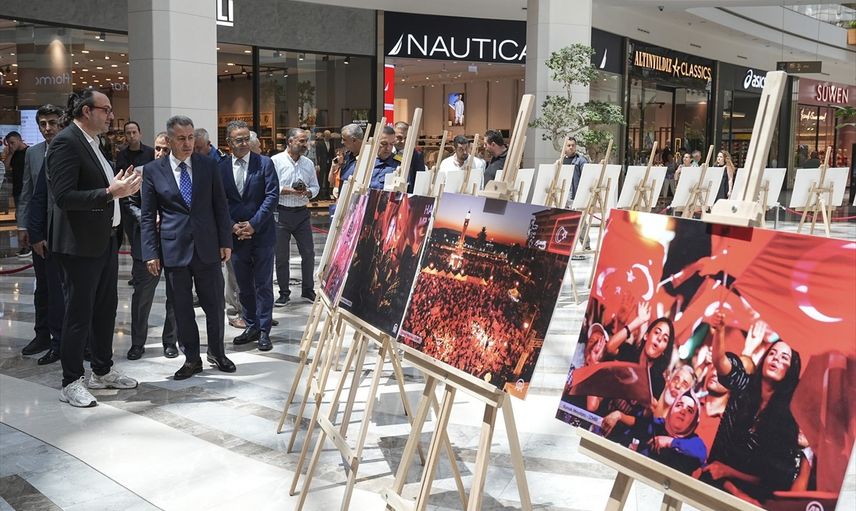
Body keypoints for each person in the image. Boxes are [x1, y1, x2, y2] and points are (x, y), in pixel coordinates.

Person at [47, 90, 142, 407]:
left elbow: (101, 188)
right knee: (78, 314)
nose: (112, 115)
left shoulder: (94, 143)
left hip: (104, 240)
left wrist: (121, 186)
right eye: (107, 109)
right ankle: (70, 381)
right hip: (78, 245)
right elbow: (64, 197)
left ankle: (102, 371)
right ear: (87, 111)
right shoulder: (66, 142)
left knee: (105, 310)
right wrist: (111, 191)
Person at [141, 115, 235, 380]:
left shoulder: (208, 165)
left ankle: (217, 352)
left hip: (208, 247)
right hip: (174, 250)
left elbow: (221, 205)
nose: (187, 143)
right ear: (169, 140)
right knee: (182, 309)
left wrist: (226, 241)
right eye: (181, 138)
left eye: (191, 137)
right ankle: (192, 358)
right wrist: (150, 252)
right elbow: (147, 216)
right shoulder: (153, 170)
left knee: (214, 305)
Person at [700, 310, 802, 505]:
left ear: (790, 371)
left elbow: (774, 477)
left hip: (749, 500)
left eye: (784, 358)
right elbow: (721, 364)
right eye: (772, 353)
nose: (776, 359)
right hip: (713, 483)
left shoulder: (787, 418)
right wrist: (720, 332)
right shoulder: (744, 387)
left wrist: (729, 474)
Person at [218, 120, 279, 351]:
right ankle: (251, 325)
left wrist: (253, 224)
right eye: (239, 140)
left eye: (247, 139)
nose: (244, 143)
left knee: (263, 284)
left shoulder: (264, 163)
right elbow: (219, 202)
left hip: (262, 234)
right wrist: (233, 226)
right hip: (235, 236)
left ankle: (264, 330)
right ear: (229, 142)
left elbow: (271, 196)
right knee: (243, 286)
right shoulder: (221, 167)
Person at [124, 128, 179, 360]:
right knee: (142, 297)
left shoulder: (180, 174)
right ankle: (137, 343)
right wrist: (145, 217)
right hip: (146, 243)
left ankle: (171, 341)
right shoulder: (140, 172)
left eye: (165, 149)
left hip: (173, 243)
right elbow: (129, 202)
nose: (160, 153)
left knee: (175, 295)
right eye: (157, 148)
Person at [17, 104, 64, 363]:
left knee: (61, 288)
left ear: (61, 123)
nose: (48, 128)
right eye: (43, 124)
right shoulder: (33, 153)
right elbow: (27, 191)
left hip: (65, 229)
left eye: (52, 123)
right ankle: (42, 334)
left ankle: (61, 339)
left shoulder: (70, 149)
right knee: (43, 285)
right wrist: (24, 226)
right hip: (39, 228)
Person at [271, 127, 319, 306]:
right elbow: (271, 186)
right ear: (290, 141)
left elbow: (315, 187)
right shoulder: (276, 161)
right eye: (301, 141)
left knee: (308, 253)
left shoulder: (308, 163)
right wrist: (290, 190)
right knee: (282, 256)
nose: (305, 144)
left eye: (306, 141)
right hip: (281, 213)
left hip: (302, 214)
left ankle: (308, 290)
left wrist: (308, 192)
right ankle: (284, 293)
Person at [637, 392, 707, 475]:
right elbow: (638, 424)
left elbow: (701, 454)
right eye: (679, 405)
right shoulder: (659, 425)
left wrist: (670, 442)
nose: (682, 411)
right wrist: (647, 412)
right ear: (671, 409)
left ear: (694, 421)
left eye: (689, 410)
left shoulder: (694, 442)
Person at [4, 131, 30, 254]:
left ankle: (27, 246)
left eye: (12, 142)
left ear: (20, 140)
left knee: (24, 217)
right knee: (20, 218)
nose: (11, 145)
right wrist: (10, 153)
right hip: (17, 190)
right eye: (9, 143)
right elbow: (5, 168)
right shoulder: (13, 154)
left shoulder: (29, 152)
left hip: (27, 190)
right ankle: (25, 246)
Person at [393, 121, 426, 193]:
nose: (403, 141)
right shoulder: (386, 152)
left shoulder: (416, 155)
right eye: (399, 137)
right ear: (393, 136)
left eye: (406, 138)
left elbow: (420, 180)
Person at [563, 136, 587, 203]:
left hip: (574, 195)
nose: (571, 147)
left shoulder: (581, 161)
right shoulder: (561, 161)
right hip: (562, 193)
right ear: (565, 147)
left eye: (573, 145)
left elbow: (586, 178)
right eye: (569, 145)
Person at [314, 129, 334, 198]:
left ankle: (327, 194)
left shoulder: (331, 143)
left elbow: (332, 153)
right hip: (322, 162)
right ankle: (319, 194)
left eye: (329, 135)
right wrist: (318, 164)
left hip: (329, 162)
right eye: (327, 135)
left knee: (328, 178)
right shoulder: (320, 143)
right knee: (321, 178)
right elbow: (317, 154)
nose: (329, 137)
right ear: (324, 135)